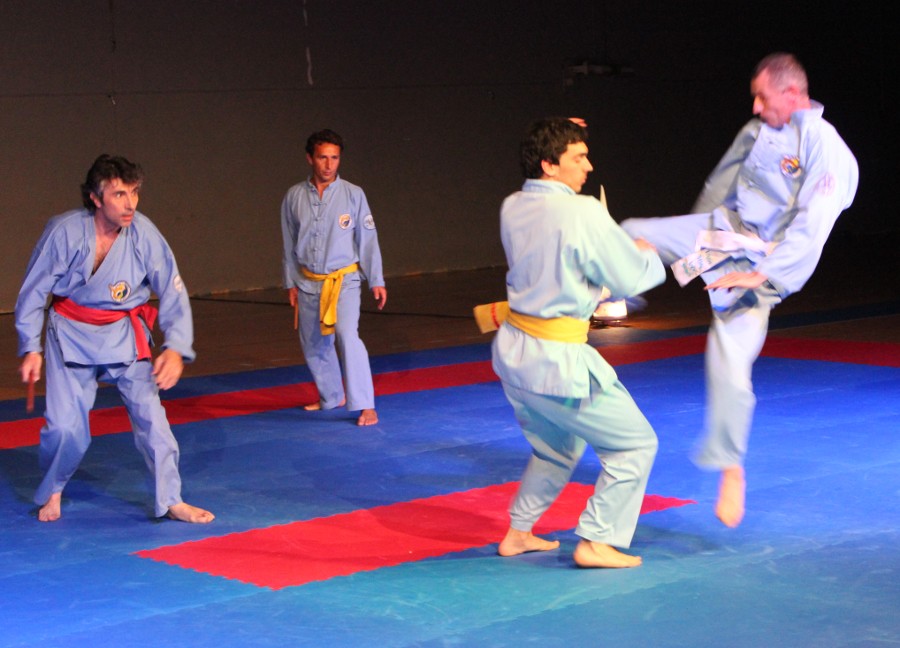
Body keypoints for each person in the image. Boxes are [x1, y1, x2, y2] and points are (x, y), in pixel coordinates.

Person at [621, 53, 859, 528]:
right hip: (723, 230)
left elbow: (813, 225)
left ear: (792, 94)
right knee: (630, 234)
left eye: (762, 97)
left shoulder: (824, 147)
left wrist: (764, 275)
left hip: (763, 260)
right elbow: (720, 186)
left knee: (727, 362)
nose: (755, 106)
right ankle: (596, 296)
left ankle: (731, 467)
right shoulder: (756, 131)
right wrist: (692, 249)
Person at [489, 117, 665, 568]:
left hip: (515, 354)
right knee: (634, 445)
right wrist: (644, 254)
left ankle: (518, 533)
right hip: (557, 361)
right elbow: (626, 279)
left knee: (556, 448)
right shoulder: (582, 211)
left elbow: (562, 259)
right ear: (550, 165)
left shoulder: (512, 205)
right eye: (578, 157)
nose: (588, 166)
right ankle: (597, 541)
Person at [15, 154, 215, 524]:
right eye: (119, 194)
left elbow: (172, 289)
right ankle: (54, 488)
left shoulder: (144, 233)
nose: (130, 204)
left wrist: (175, 347)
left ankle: (172, 499)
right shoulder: (64, 233)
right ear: (95, 198)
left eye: (134, 192)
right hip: (71, 334)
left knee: (153, 422)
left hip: (124, 334)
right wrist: (30, 347)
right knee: (65, 429)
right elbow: (33, 291)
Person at [281, 129, 387, 427]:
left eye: (335, 158)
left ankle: (365, 405)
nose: (329, 165)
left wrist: (376, 280)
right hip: (308, 281)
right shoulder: (294, 196)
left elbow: (368, 239)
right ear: (310, 158)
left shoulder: (353, 194)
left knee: (347, 335)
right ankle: (331, 396)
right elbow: (288, 243)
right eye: (323, 158)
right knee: (313, 342)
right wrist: (290, 282)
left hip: (345, 281)